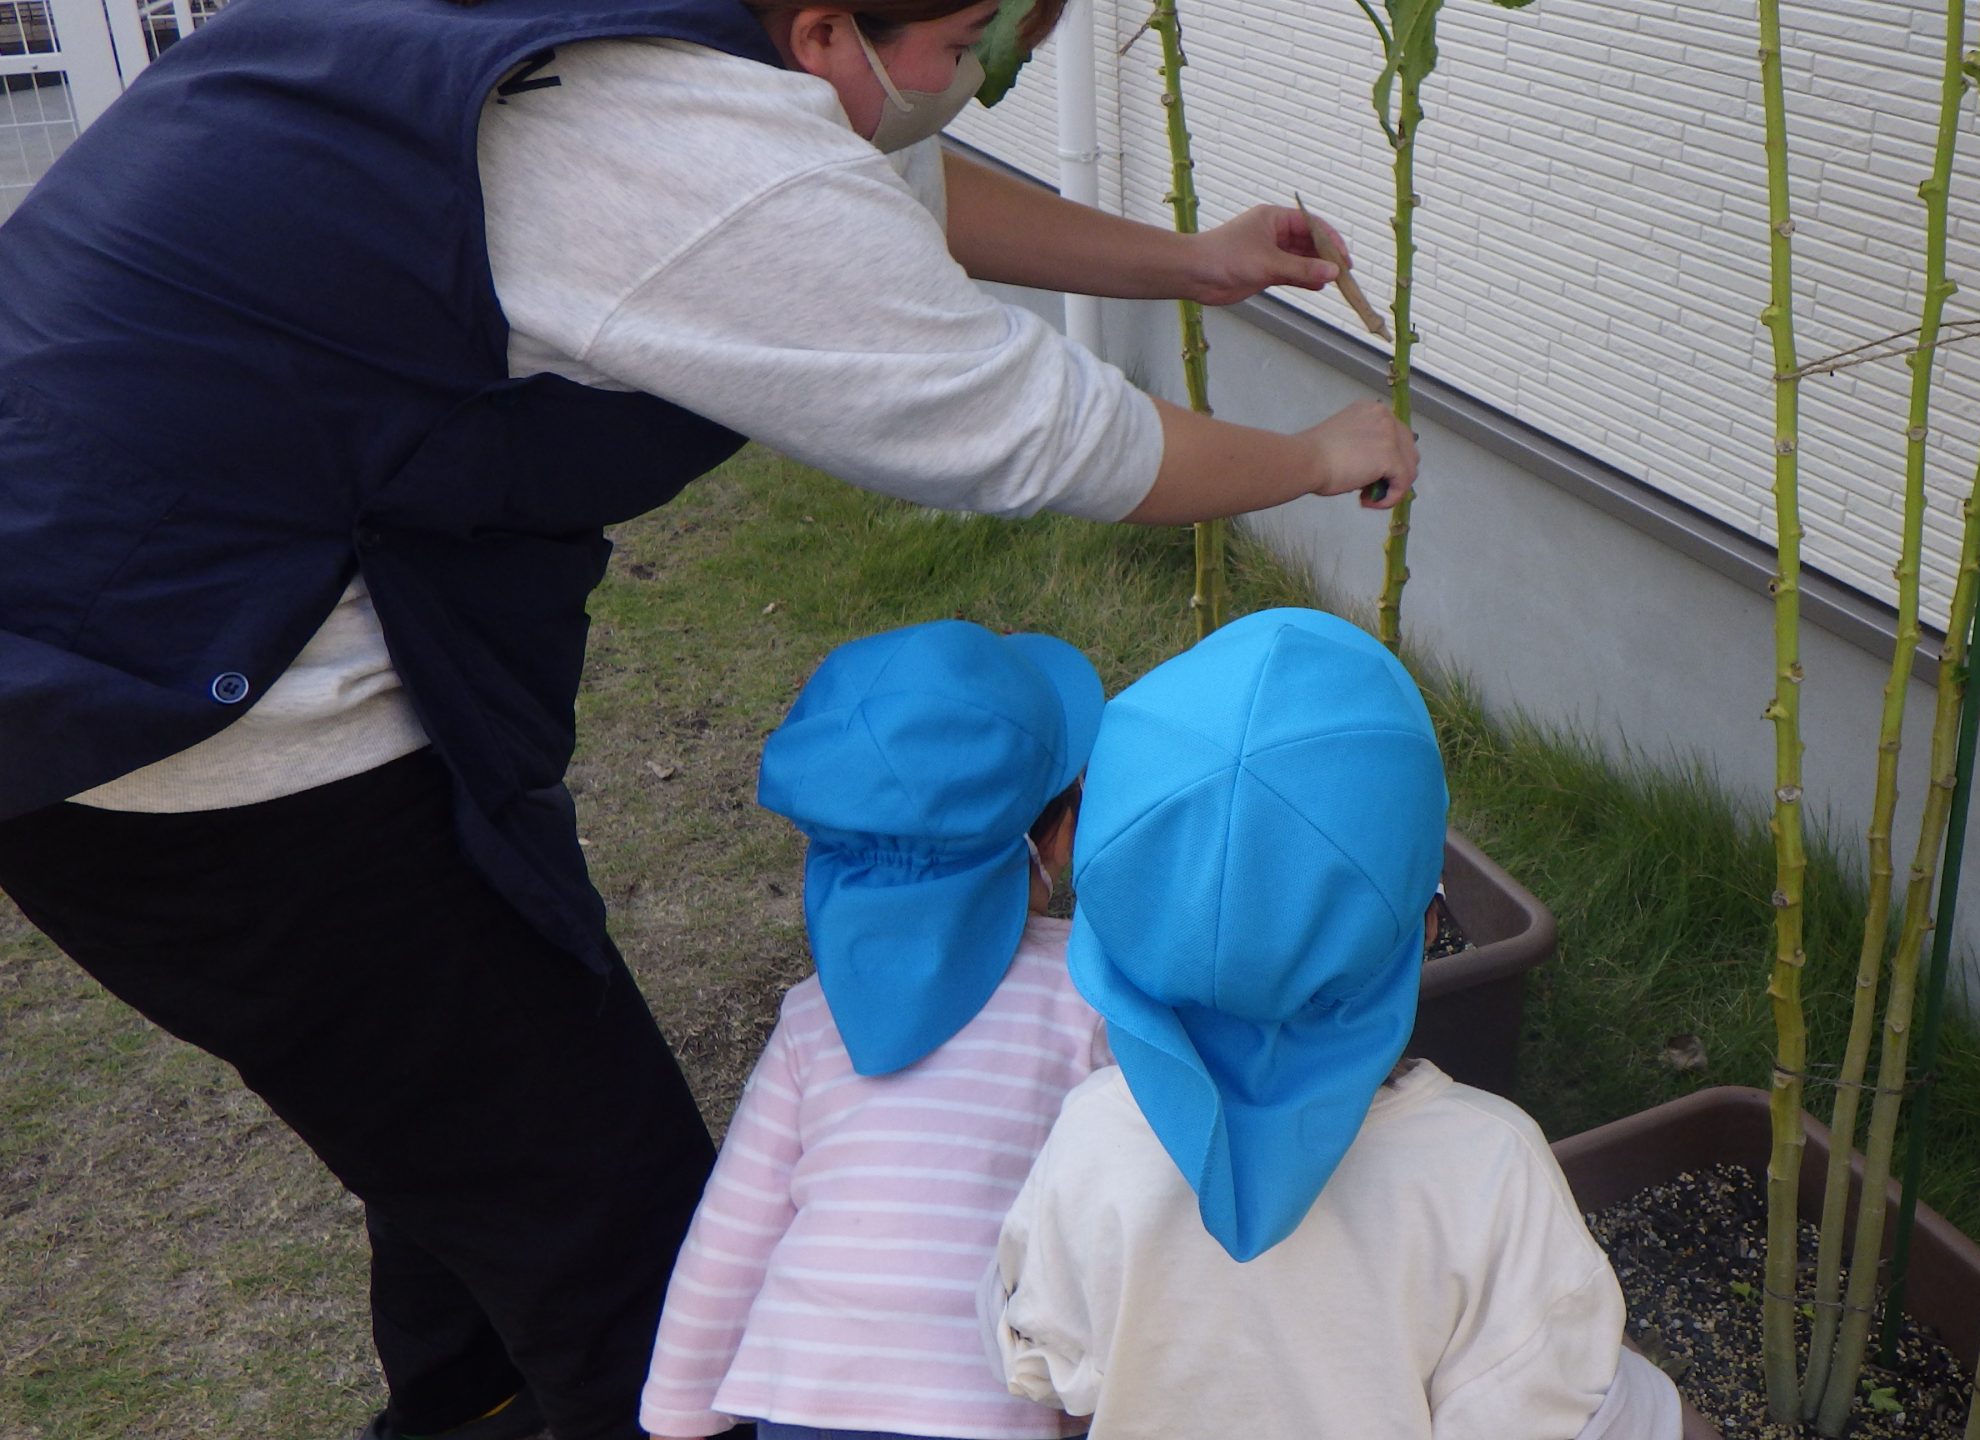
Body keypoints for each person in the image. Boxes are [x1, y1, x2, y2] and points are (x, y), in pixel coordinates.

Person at [0, 0, 1417, 1436]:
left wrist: (1194, 263)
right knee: (609, 1235)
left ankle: (462, 1402)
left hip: (135, 612)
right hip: (191, 710)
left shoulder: (676, 52)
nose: (990, 80)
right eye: (977, 40)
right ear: (817, 32)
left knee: (452, 1118)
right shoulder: (662, 138)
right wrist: (1310, 455)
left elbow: (879, 187)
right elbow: (1037, 428)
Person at [981, 609, 1682, 1440]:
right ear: (1425, 930)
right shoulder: (1493, 1169)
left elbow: (1039, 1361)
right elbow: (1567, 1417)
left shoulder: (1092, 1137)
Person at [640, 619, 1107, 1440]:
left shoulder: (810, 1022)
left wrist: (678, 1414)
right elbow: (1119, 1210)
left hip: (804, 1396)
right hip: (989, 1404)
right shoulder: (1089, 990)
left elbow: (732, 1237)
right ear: (1060, 836)